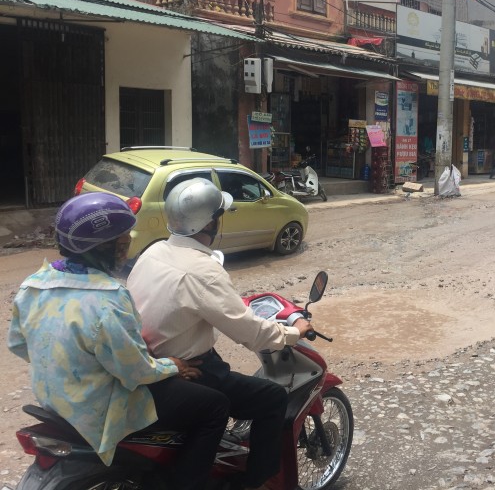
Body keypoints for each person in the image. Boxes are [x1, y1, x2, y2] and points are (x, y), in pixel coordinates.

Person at [7, 193, 227, 489]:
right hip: (98, 407)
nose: (126, 251)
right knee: (213, 406)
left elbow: (19, 345)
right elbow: (136, 372)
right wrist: (174, 365)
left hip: (54, 400)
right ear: (103, 248)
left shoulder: (32, 285)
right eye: (123, 244)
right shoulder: (108, 298)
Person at [127, 178, 314, 490]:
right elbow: (252, 334)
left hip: (150, 361)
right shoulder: (204, 271)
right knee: (272, 397)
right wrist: (293, 332)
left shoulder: (155, 250)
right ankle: (255, 480)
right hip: (189, 371)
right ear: (210, 222)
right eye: (218, 216)